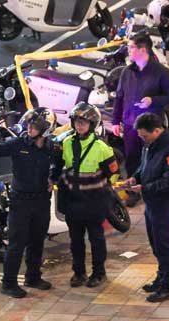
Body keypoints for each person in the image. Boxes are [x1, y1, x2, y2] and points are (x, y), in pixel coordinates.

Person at [0, 108, 56, 298]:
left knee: (37, 241)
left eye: (34, 126)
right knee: (16, 244)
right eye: (29, 124)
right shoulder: (17, 143)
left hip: (41, 201)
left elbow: (61, 163)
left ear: (45, 130)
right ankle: (8, 283)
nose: (30, 128)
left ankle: (33, 277)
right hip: (20, 202)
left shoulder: (52, 147)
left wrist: (53, 178)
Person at [53, 102, 119, 289]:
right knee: (75, 241)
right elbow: (59, 167)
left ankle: (99, 272)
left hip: (94, 203)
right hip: (73, 202)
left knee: (96, 239)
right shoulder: (66, 143)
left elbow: (113, 174)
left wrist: (100, 189)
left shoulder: (102, 147)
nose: (80, 125)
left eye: (84, 122)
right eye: (77, 121)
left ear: (92, 124)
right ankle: (78, 272)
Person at [121, 113, 169, 302]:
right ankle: (161, 278)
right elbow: (144, 166)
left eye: (145, 136)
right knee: (155, 243)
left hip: (163, 203)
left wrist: (145, 188)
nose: (142, 139)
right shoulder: (151, 144)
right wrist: (135, 178)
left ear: (157, 130)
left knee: (164, 244)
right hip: (151, 202)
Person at [112, 33, 169, 207]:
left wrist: (152, 100)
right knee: (132, 158)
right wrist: (116, 121)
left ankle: (153, 189)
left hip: (152, 127)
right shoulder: (127, 72)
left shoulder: (161, 72)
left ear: (143, 49)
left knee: (154, 159)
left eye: (131, 47)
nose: (128, 50)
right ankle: (133, 191)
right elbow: (119, 97)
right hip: (131, 125)